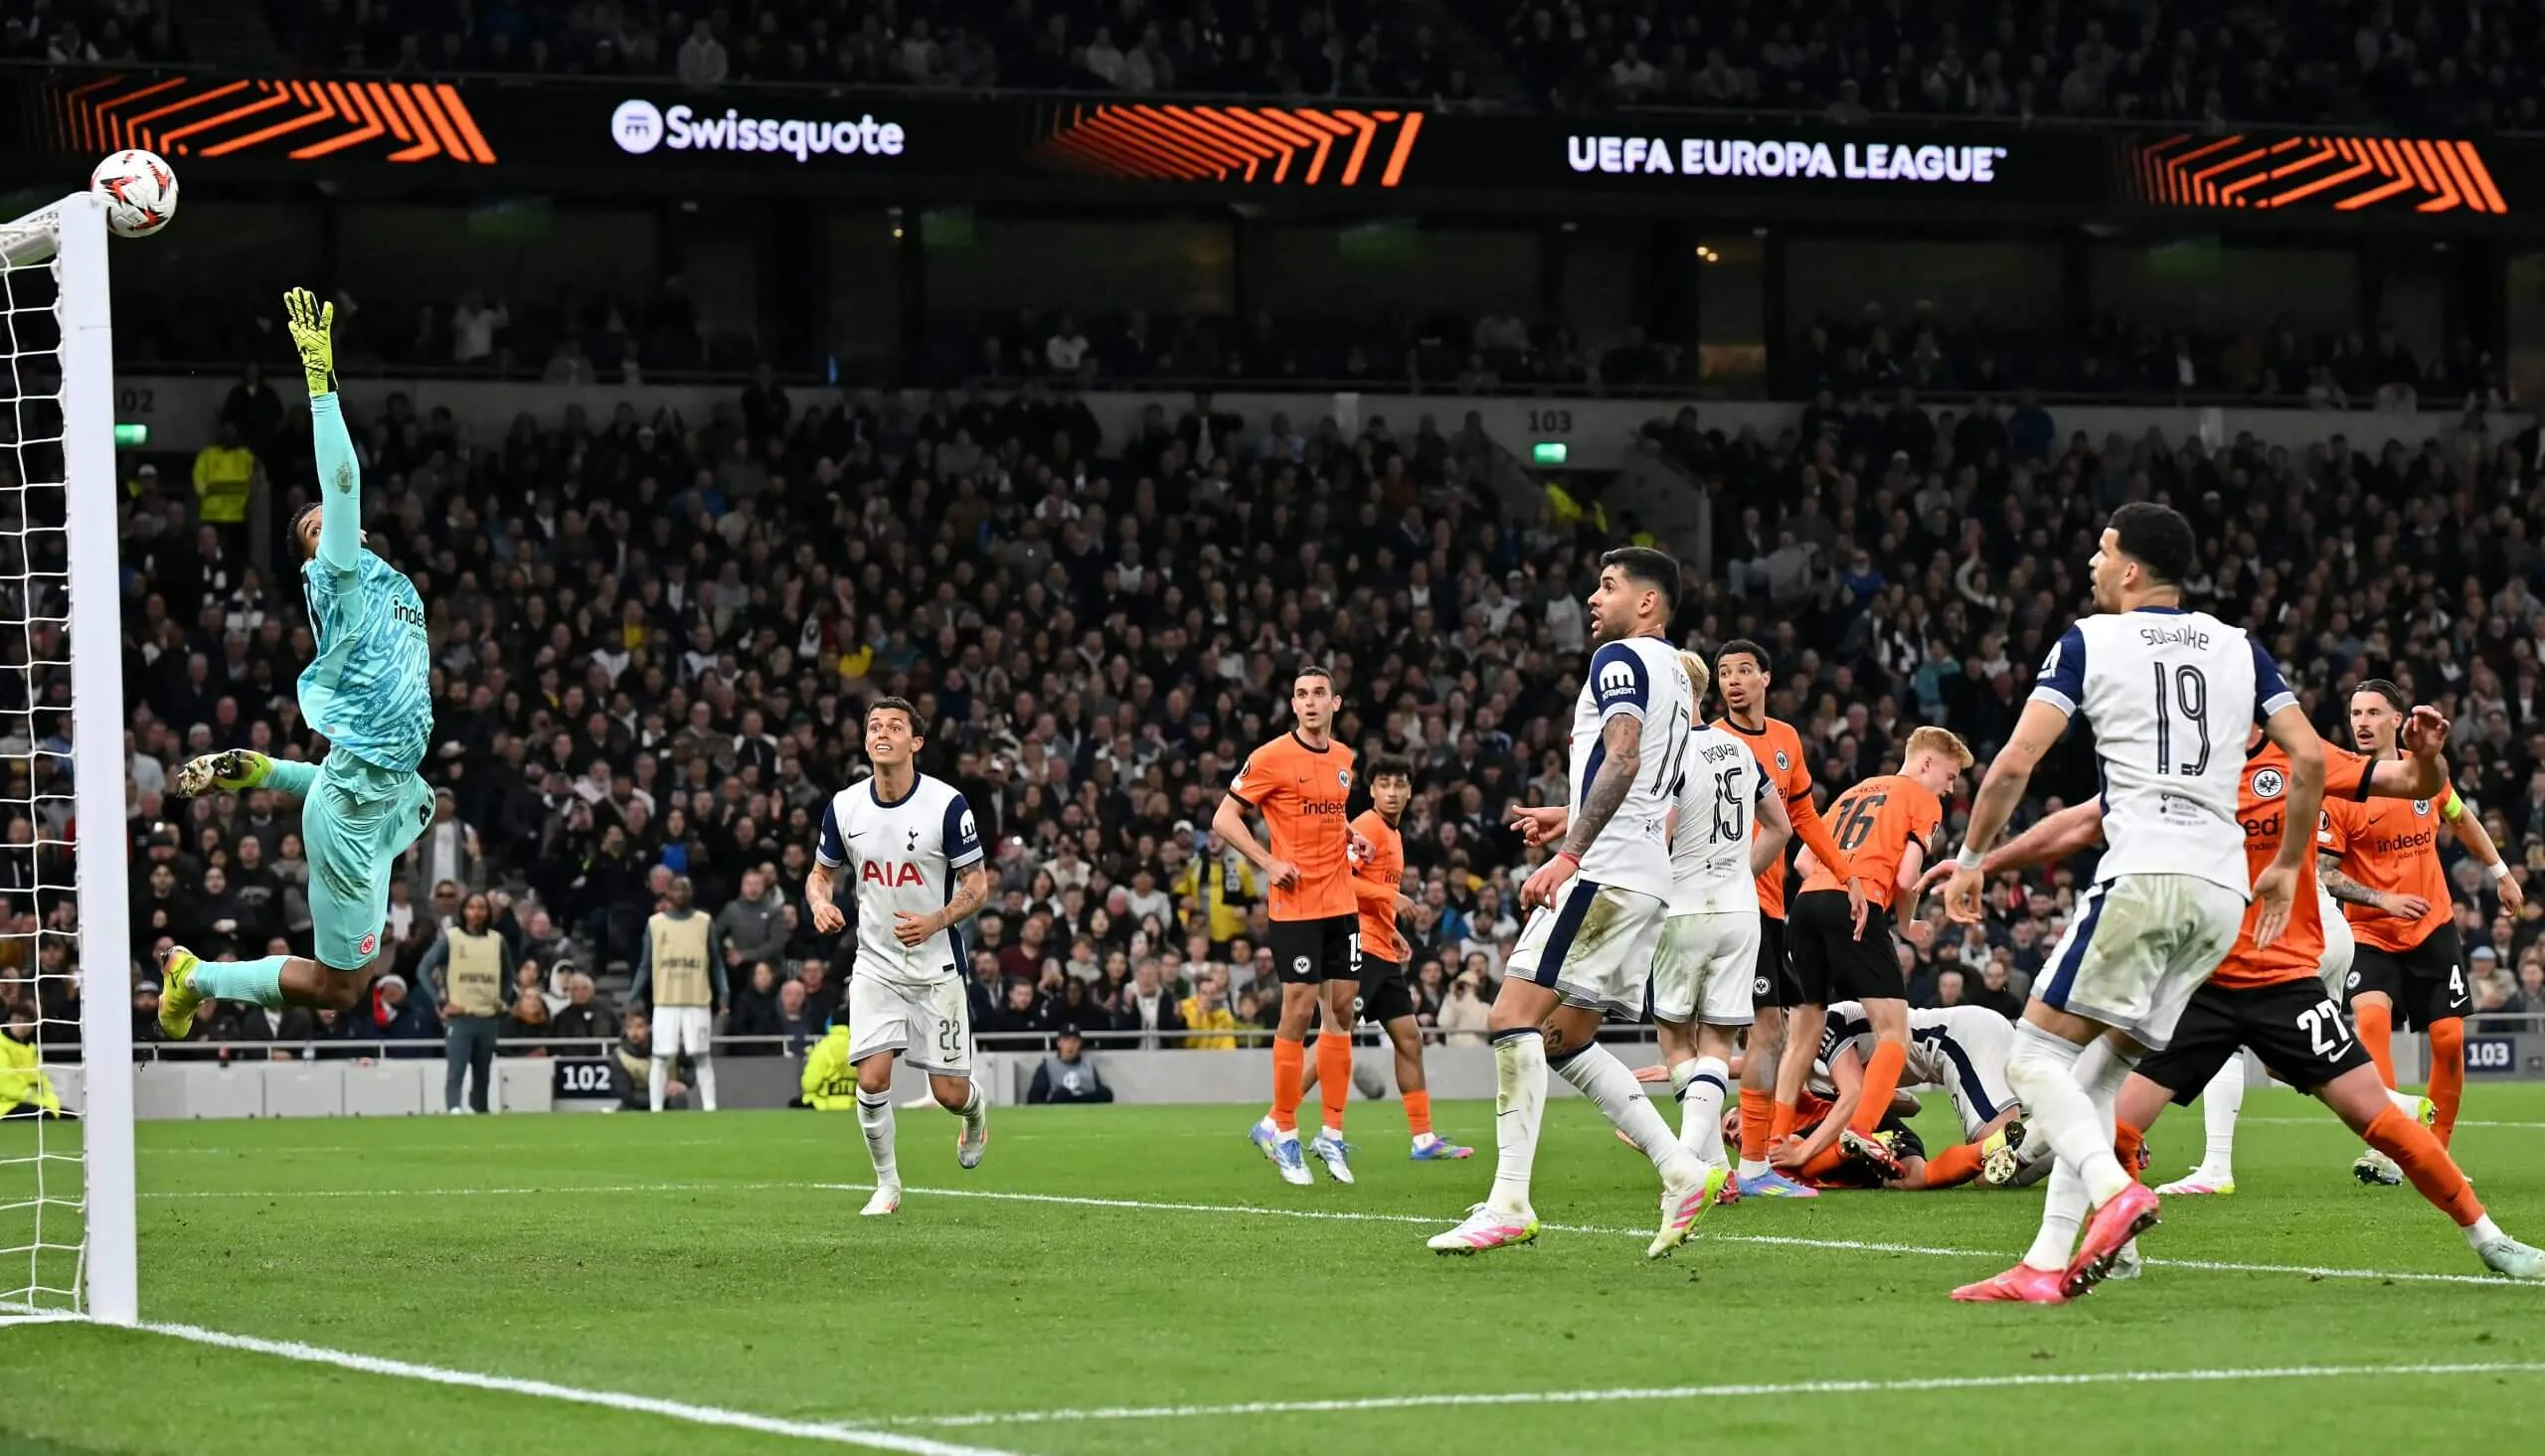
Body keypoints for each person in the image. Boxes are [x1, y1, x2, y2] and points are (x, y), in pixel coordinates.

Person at [1966, 715, 2543, 1281]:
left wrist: (2425, 755)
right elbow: (2087, 821)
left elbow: (2414, 783)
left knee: (2384, 1124)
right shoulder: (2175, 767)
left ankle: (2490, 1239)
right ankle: (2121, 1242)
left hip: (2285, 983)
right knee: (2113, 1124)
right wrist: (1982, 864)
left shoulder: (2302, 754)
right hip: (2201, 985)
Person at [1939, 501, 2325, 1303]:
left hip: (2144, 874)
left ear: (2131, 569)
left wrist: (1972, 856)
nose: (2091, 563)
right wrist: (2287, 864)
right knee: (2099, 1076)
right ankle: (2046, 1262)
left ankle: (2117, 1191)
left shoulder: (2091, 638)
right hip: (2221, 895)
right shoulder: (2239, 647)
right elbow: (2311, 756)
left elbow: (2014, 762)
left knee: (2031, 1058)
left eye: (2102, 549)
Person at [159, 292, 440, 1059]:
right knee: (337, 987)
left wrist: (263, 773)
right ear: (315, 554)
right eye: (313, 527)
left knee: (354, 965)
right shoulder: (339, 579)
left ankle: (262, 772)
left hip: (375, 789)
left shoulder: (390, 585)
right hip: (354, 814)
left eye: (324, 518)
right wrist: (321, 380)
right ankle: (195, 977)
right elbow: (344, 478)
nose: (328, 522)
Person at [1433, 547, 1718, 1257]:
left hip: (1605, 872)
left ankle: (1508, 1199)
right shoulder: (1679, 676)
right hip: (1645, 873)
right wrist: (1570, 816)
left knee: (1510, 1017)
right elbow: (1649, 777)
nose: (1594, 597)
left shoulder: (1619, 658)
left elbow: (1622, 756)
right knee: (1567, 1038)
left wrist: (1569, 853)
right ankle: (1682, 1168)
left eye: (1609, 585)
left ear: (1646, 602)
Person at [2319, 678, 2526, 1176]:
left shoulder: (2424, 777)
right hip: (2369, 931)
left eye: (2372, 713)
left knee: (2450, 1041)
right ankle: (2388, 1146)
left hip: (2431, 926)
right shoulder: (2341, 785)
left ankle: (2437, 1151)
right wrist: (2383, 899)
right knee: (2370, 1024)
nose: (2361, 723)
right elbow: (2325, 875)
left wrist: (2501, 873)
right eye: (2355, 713)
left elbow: (2462, 819)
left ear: (2397, 721)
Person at [805, 697, 992, 1216]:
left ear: (917, 743)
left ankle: (976, 1116)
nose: (881, 732)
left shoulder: (946, 805)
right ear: (866, 741)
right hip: (876, 964)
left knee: (950, 1092)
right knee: (871, 1078)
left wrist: (936, 920)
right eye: (873, 725)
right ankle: (887, 1184)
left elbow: (977, 885)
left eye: (894, 725)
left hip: (936, 966)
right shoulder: (845, 807)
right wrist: (820, 902)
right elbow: (820, 874)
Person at [1708, 638, 1868, 1199]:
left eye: (1743, 671)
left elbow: (1803, 816)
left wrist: (1845, 872)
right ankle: (1743, 1167)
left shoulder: (1785, 740)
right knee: (1755, 1031)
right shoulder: (1710, 742)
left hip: (1770, 904)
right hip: (1728, 900)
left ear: (1765, 679)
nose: (1732, 681)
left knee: (1762, 1031)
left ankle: (1725, 1166)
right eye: (1724, 673)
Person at [1780, 727, 1970, 1186]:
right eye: (1949, 776)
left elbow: (1804, 861)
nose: (1949, 788)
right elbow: (1906, 877)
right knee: (1893, 1033)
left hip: (1805, 905)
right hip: (1855, 904)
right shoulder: (1922, 800)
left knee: (1803, 1034)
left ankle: (1776, 1141)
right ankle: (1860, 1131)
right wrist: (1903, 922)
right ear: (1927, 764)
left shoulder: (1854, 791)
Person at [1646, 650, 1793, 1181]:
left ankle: (1693, 1162)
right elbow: (1780, 827)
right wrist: (1737, 875)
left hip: (1684, 908)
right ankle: (1715, 1167)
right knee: (1718, 1040)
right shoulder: (1737, 749)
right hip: (1740, 911)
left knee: (1674, 1036)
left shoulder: (1666, 755)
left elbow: (1658, 836)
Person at [1223, 665, 1371, 1186]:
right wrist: (1267, 863)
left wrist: (1353, 836)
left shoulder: (1345, 759)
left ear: (1336, 703)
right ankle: (1281, 1128)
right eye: (1302, 695)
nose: (1310, 703)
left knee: (1342, 1012)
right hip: (1295, 905)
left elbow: (1329, 815)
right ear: (1293, 705)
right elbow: (1224, 818)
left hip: (1341, 900)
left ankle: (1331, 1133)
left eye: (1319, 694)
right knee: (1299, 1008)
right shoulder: (1269, 757)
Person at [1342, 754, 1470, 1159]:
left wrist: (1393, 929)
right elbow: (1341, 881)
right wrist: (1391, 898)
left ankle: (1422, 1139)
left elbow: (1370, 890)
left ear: (1410, 792)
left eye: (1399, 785)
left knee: (1410, 1040)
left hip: (1381, 946)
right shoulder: (1366, 826)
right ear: (1372, 790)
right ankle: (1281, 1121)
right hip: (1360, 947)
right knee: (1336, 1036)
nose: (1392, 792)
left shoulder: (1393, 835)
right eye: (1384, 785)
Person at [1774, 1001, 2027, 1190]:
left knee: (1992, 1176)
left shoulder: (1821, 1023)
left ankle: (2055, 1123)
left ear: (1787, 1016)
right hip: (1962, 1039)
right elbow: (1911, 1105)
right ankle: (2052, 1129)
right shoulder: (1816, 1076)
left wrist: (1802, 1152)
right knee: (1995, 1176)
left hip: (1959, 1041)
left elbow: (1854, 1093)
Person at [628, 876, 726, 1113]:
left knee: (701, 1055)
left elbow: (716, 963)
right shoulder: (656, 924)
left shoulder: (704, 922)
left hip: (697, 999)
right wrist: (634, 994)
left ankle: (710, 1108)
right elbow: (645, 964)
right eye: (677, 889)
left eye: (685, 889)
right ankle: (656, 1108)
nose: (681, 894)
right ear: (667, 894)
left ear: (692, 893)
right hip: (666, 1000)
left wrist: (724, 991)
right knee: (661, 1057)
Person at [414, 890, 512, 1114]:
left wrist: (503, 1001)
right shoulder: (452, 938)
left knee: (483, 1073)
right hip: (460, 1015)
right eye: (471, 907)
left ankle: (480, 1109)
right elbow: (424, 969)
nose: (476, 912)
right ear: (463, 910)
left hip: (488, 1015)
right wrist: (440, 1002)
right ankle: (454, 1108)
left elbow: (508, 976)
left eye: (481, 907)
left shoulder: (497, 941)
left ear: (488, 912)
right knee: (456, 1069)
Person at [0, 1005, 64, 1119]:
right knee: (47, 1115)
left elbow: (42, 1078)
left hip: (30, 1101)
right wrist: (39, 1100)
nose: (22, 1025)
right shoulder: (2, 1045)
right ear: (7, 1022)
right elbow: (6, 1081)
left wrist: (50, 1099)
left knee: (68, 1114)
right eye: (17, 1021)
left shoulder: (31, 1048)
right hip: (6, 1105)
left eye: (26, 1021)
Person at [1027, 1025, 1115, 1104]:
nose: (1070, 1045)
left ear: (1080, 1044)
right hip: (1058, 1112)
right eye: (1066, 1040)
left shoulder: (1089, 1067)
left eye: (1074, 1041)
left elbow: (1099, 1093)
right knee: (1062, 1095)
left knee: (1105, 1093)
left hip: (1086, 1108)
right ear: (1059, 1043)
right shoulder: (1047, 1066)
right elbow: (1034, 1099)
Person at [796, 1019, 858, 1110]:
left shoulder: (823, 1047)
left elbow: (810, 1084)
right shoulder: (860, 1046)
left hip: (824, 1105)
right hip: (856, 1107)